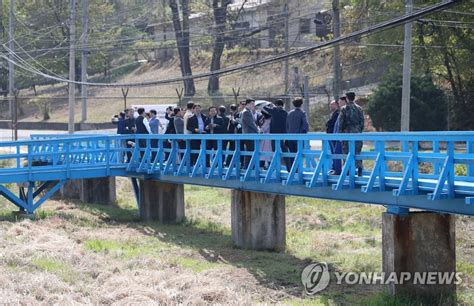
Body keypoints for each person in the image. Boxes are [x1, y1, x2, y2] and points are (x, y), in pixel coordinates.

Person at [338, 91, 365, 176]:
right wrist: (359, 130)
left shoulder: (344, 109)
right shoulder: (359, 108)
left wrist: (340, 132)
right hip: (357, 132)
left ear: (346, 98)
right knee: (357, 151)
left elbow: (341, 122)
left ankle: (348, 171)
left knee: (347, 152)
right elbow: (362, 122)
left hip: (347, 132)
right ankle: (359, 168)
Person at [264, 99, 290, 167]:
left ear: (276, 105)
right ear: (283, 105)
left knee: (275, 151)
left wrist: (271, 106)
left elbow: (264, 108)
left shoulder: (274, 111)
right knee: (285, 151)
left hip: (274, 134)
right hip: (283, 135)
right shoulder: (285, 113)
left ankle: (276, 167)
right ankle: (289, 167)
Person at [286, 97, 309, 169]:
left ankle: (291, 170)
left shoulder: (289, 113)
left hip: (290, 137)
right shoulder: (302, 113)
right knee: (299, 155)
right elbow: (305, 125)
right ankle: (298, 170)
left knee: (292, 155)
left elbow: (287, 126)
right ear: (301, 104)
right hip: (298, 138)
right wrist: (304, 133)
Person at [241, 98, 259, 168]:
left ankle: (248, 167)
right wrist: (258, 130)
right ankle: (248, 167)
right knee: (250, 151)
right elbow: (251, 124)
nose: (253, 105)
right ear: (247, 104)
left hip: (250, 134)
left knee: (250, 151)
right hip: (249, 134)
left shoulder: (248, 111)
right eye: (252, 104)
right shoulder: (246, 112)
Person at [326, 100, 342, 175]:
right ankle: (334, 167)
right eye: (330, 105)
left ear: (336, 105)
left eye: (332, 105)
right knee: (333, 152)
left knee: (335, 152)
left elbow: (331, 123)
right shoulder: (333, 114)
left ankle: (337, 169)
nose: (330, 106)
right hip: (331, 135)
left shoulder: (338, 113)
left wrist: (328, 123)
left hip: (335, 135)